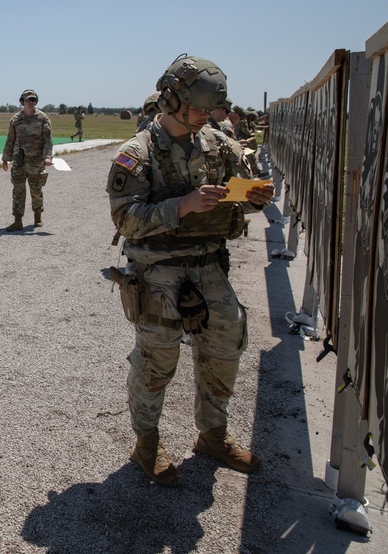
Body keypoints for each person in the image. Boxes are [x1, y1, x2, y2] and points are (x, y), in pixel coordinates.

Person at [107, 54, 275, 487]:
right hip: (156, 268)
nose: (206, 115)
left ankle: (212, 435)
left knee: (226, 340)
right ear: (172, 99)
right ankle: (146, 442)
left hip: (207, 262)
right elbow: (124, 219)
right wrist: (182, 205)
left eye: (209, 109)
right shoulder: (136, 153)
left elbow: (242, 194)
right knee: (157, 357)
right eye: (198, 107)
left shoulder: (220, 145)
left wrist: (253, 198)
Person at [2, 89, 53, 231]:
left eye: (33, 100)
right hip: (19, 161)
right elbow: (10, 140)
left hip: (36, 161)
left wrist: (48, 157)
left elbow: (48, 140)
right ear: (22, 102)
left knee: (36, 190)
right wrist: (6, 158)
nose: (31, 102)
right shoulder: (15, 120)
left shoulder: (43, 118)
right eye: (28, 100)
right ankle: (17, 220)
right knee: (18, 190)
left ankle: (37, 217)